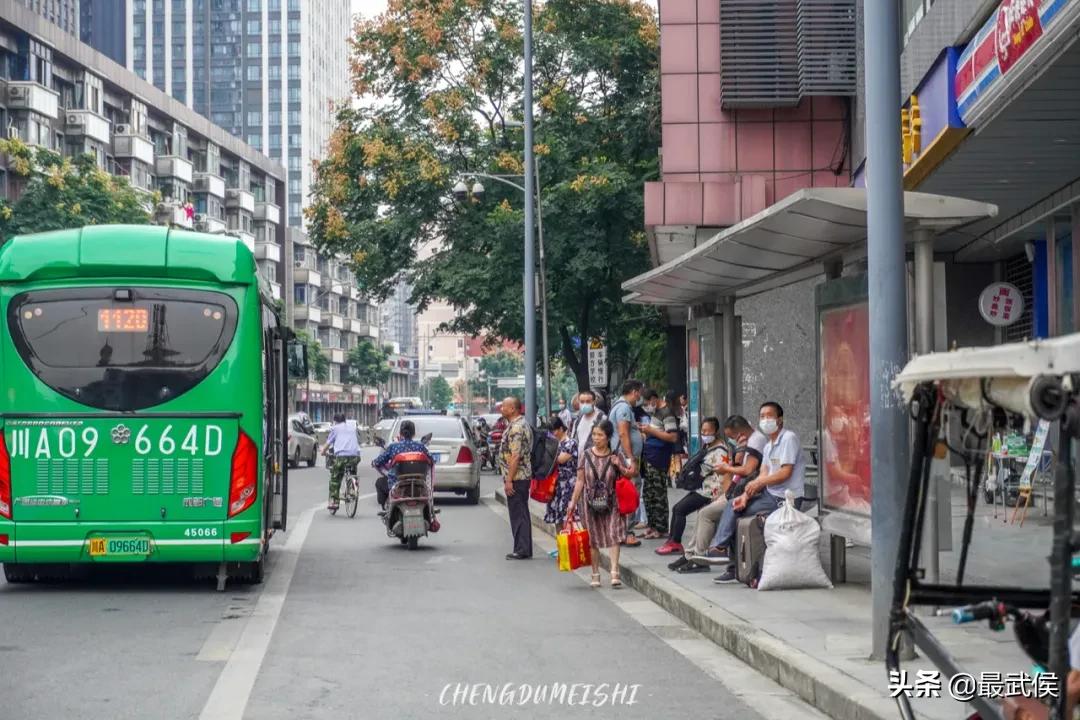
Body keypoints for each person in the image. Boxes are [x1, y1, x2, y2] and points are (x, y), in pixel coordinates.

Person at [712, 401, 806, 584]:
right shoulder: (770, 445)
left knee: (737, 514)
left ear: (780, 419)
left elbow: (785, 473)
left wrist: (760, 482)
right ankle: (730, 559)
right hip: (769, 495)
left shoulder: (788, 438)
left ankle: (722, 550)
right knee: (735, 504)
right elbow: (763, 472)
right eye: (762, 416)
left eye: (769, 416)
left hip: (785, 499)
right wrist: (747, 494)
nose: (765, 420)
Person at [681, 415, 766, 571]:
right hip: (736, 490)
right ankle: (692, 555)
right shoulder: (746, 443)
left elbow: (748, 470)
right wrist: (737, 457)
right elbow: (740, 470)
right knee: (704, 513)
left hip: (747, 492)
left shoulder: (755, 440)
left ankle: (707, 554)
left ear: (740, 432)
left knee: (707, 513)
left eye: (732, 437)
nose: (732, 441)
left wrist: (727, 468)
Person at [566, 420, 634, 588]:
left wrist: (619, 465)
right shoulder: (586, 455)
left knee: (614, 534)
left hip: (612, 502)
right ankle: (595, 573)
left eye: (600, 435)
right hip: (589, 503)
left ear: (608, 437)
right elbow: (580, 481)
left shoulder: (615, 455)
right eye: (594, 434)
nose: (596, 438)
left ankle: (614, 571)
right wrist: (572, 502)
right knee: (593, 539)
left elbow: (629, 475)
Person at [655, 417, 727, 557]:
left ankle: (675, 543)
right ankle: (672, 541)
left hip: (710, 490)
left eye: (708, 431)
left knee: (680, 509)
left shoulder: (721, 451)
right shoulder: (708, 446)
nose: (705, 434)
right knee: (677, 509)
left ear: (716, 431)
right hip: (702, 488)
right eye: (703, 431)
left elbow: (719, 472)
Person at [641, 390, 683, 542]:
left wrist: (650, 430)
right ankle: (652, 526)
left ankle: (661, 527)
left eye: (647, 403)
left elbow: (672, 436)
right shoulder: (657, 412)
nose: (646, 407)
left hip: (659, 458)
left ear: (654, 399)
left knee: (658, 494)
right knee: (648, 494)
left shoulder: (667, 413)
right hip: (650, 457)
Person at [609, 380, 644, 547]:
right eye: (639, 392)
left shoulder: (619, 406)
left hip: (621, 457)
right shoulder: (623, 408)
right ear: (634, 391)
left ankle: (622, 531)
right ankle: (628, 533)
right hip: (625, 458)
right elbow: (623, 433)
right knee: (630, 494)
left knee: (623, 494)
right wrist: (631, 459)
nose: (640, 396)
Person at [370, 420, 435, 509]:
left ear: (400, 433)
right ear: (414, 433)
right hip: (418, 485)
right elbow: (432, 460)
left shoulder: (393, 447)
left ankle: (386, 510)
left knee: (380, 483)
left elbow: (378, 461)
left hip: (397, 486)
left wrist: (374, 462)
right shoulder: (420, 446)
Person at [499, 396, 533, 560]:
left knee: (518, 513)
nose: (501, 409)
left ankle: (521, 549)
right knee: (521, 513)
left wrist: (509, 480)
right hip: (520, 476)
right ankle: (523, 547)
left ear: (513, 409)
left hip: (518, 477)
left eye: (504, 406)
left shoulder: (516, 428)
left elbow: (515, 456)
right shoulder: (518, 424)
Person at [543, 417, 578, 556]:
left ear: (561, 429)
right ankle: (561, 547)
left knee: (566, 516)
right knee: (557, 517)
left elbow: (559, 460)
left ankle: (570, 547)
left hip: (567, 485)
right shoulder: (554, 443)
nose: (553, 433)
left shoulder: (570, 443)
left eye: (554, 430)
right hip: (555, 486)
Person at [321, 413, 361, 512]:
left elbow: (328, 443)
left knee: (335, 477)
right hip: (355, 456)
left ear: (335, 421)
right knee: (352, 471)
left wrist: (323, 452)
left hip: (342, 457)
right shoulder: (352, 428)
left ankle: (334, 501)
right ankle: (352, 487)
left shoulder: (335, 429)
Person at [570, 390, 605, 455]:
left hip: (596, 460)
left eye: (588, 401)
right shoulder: (578, 420)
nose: (585, 404)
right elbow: (574, 441)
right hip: (581, 461)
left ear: (594, 402)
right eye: (582, 402)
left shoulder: (602, 418)